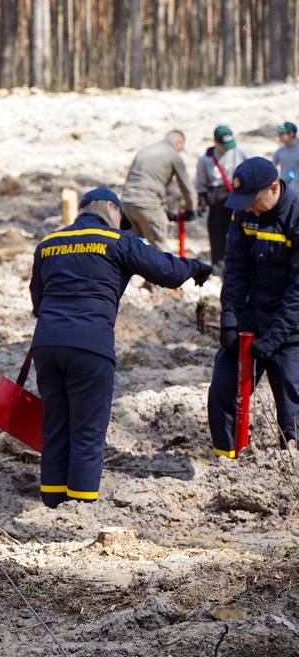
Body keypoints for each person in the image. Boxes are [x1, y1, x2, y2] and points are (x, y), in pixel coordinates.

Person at [30, 188, 210, 507]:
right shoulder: (118, 241)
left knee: (56, 426)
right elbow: (167, 272)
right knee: (87, 430)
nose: (120, 224)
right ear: (111, 208)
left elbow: (38, 301)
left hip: (47, 344)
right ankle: (81, 509)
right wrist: (195, 268)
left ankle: (52, 503)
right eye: (120, 218)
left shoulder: (48, 244)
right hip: (90, 345)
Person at [208, 158, 299, 458]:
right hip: (251, 314)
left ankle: (291, 468)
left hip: (289, 325)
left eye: (252, 200)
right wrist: (230, 320)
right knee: (223, 393)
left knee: (291, 408)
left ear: (273, 188)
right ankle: (227, 464)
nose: (247, 208)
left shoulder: (295, 215)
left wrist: (274, 338)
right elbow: (235, 269)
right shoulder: (243, 213)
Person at [119, 131, 195, 252]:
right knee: (159, 250)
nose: (180, 151)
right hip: (147, 205)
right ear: (178, 142)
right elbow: (186, 187)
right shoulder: (173, 155)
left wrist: (166, 209)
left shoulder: (144, 151)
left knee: (131, 250)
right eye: (181, 148)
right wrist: (190, 209)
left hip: (127, 203)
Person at [194, 125, 249, 270]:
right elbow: (201, 182)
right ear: (215, 142)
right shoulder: (206, 159)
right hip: (217, 201)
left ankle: (241, 264)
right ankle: (218, 267)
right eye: (223, 145)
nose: (227, 149)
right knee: (217, 235)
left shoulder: (240, 151)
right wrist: (202, 198)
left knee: (240, 232)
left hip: (237, 197)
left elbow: (252, 168)